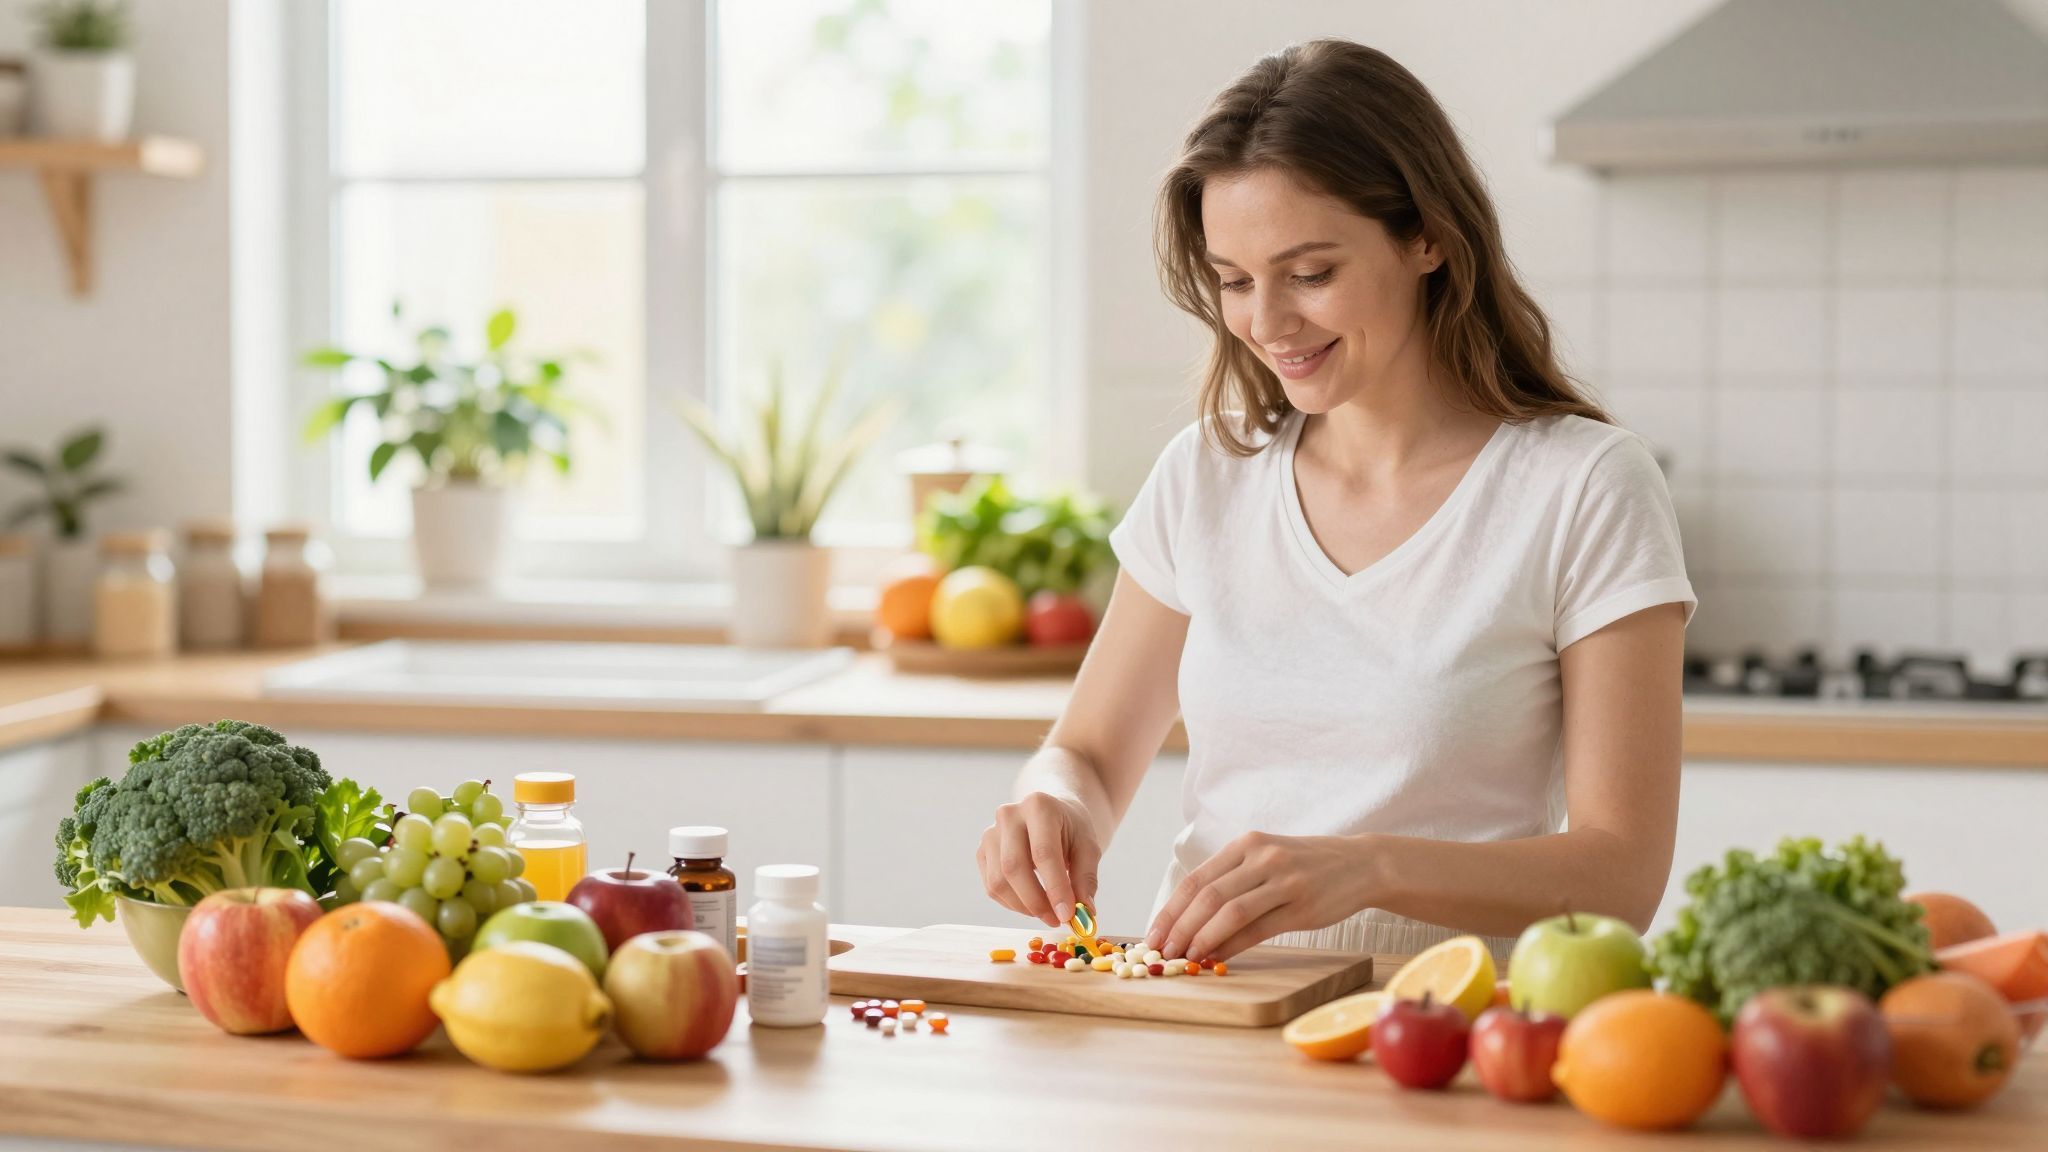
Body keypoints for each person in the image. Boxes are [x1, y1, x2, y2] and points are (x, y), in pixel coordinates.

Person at [976, 39, 1694, 965]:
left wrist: (1366, 870)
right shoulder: (1205, 474)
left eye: (1310, 274)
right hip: (1207, 1020)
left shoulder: (1583, 487)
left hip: (1449, 1039)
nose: (1267, 324)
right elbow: (1088, 754)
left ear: (1427, 236)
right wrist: (1055, 804)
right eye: (1234, 281)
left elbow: (1620, 874)